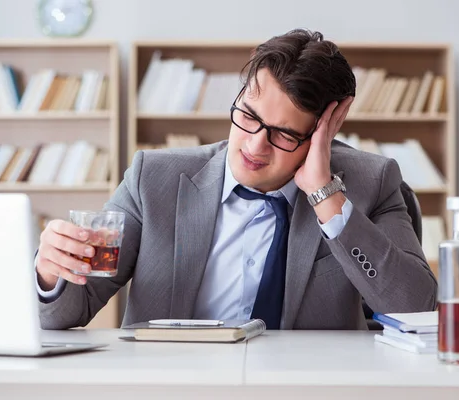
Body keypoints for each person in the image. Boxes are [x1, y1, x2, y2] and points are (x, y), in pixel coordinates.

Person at [36, 28, 438, 330]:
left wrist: (325, 196)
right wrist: (51, 273)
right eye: (248, 115)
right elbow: (66, 312)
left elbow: (417, 307)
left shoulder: (372, 182)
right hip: (175, 385)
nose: (254, 145)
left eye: (283, 134)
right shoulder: (153, 179)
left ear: (323, 133)